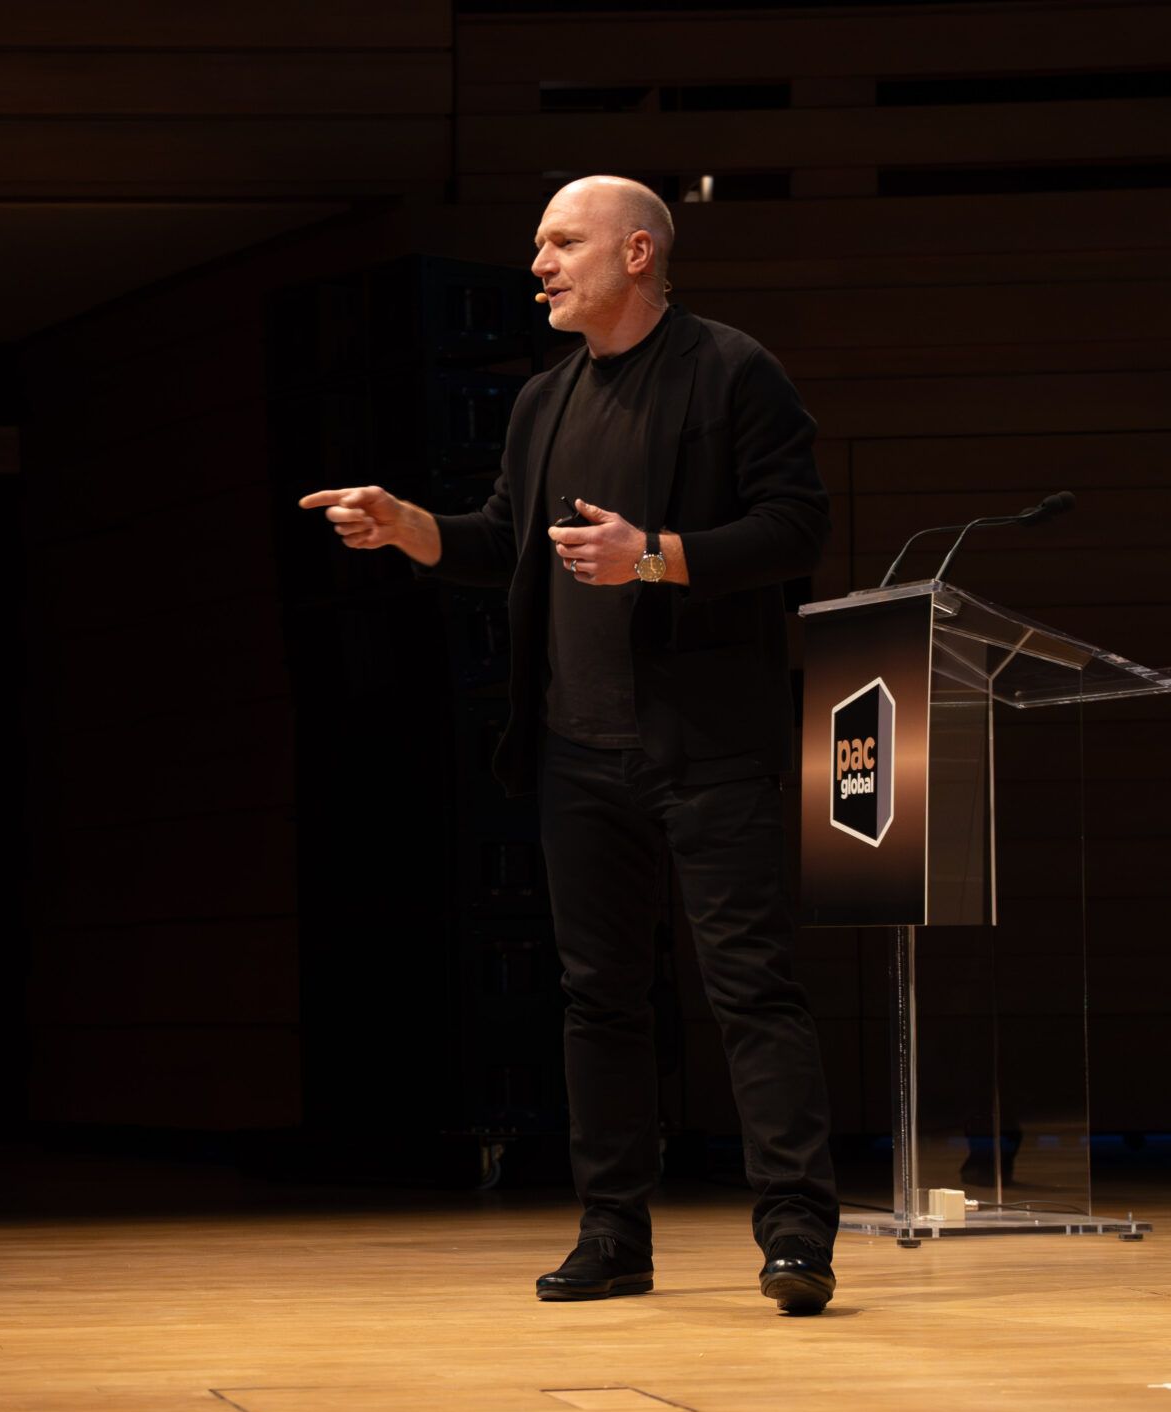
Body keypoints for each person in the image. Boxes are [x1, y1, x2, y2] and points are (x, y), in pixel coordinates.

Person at [298, 174, 842, 1316]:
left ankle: (795, 1230)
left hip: (712, 745)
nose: (538, 266)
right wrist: (411, 528)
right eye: (538, 246)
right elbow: (508, 540)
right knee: (598, 998)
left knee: (749, 986)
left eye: (560, 244)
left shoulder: (731, 369)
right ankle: (613, 1231)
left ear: (637, 253)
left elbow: (797, 528)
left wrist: (654, 557)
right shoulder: (542, 400)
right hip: (576, 751)